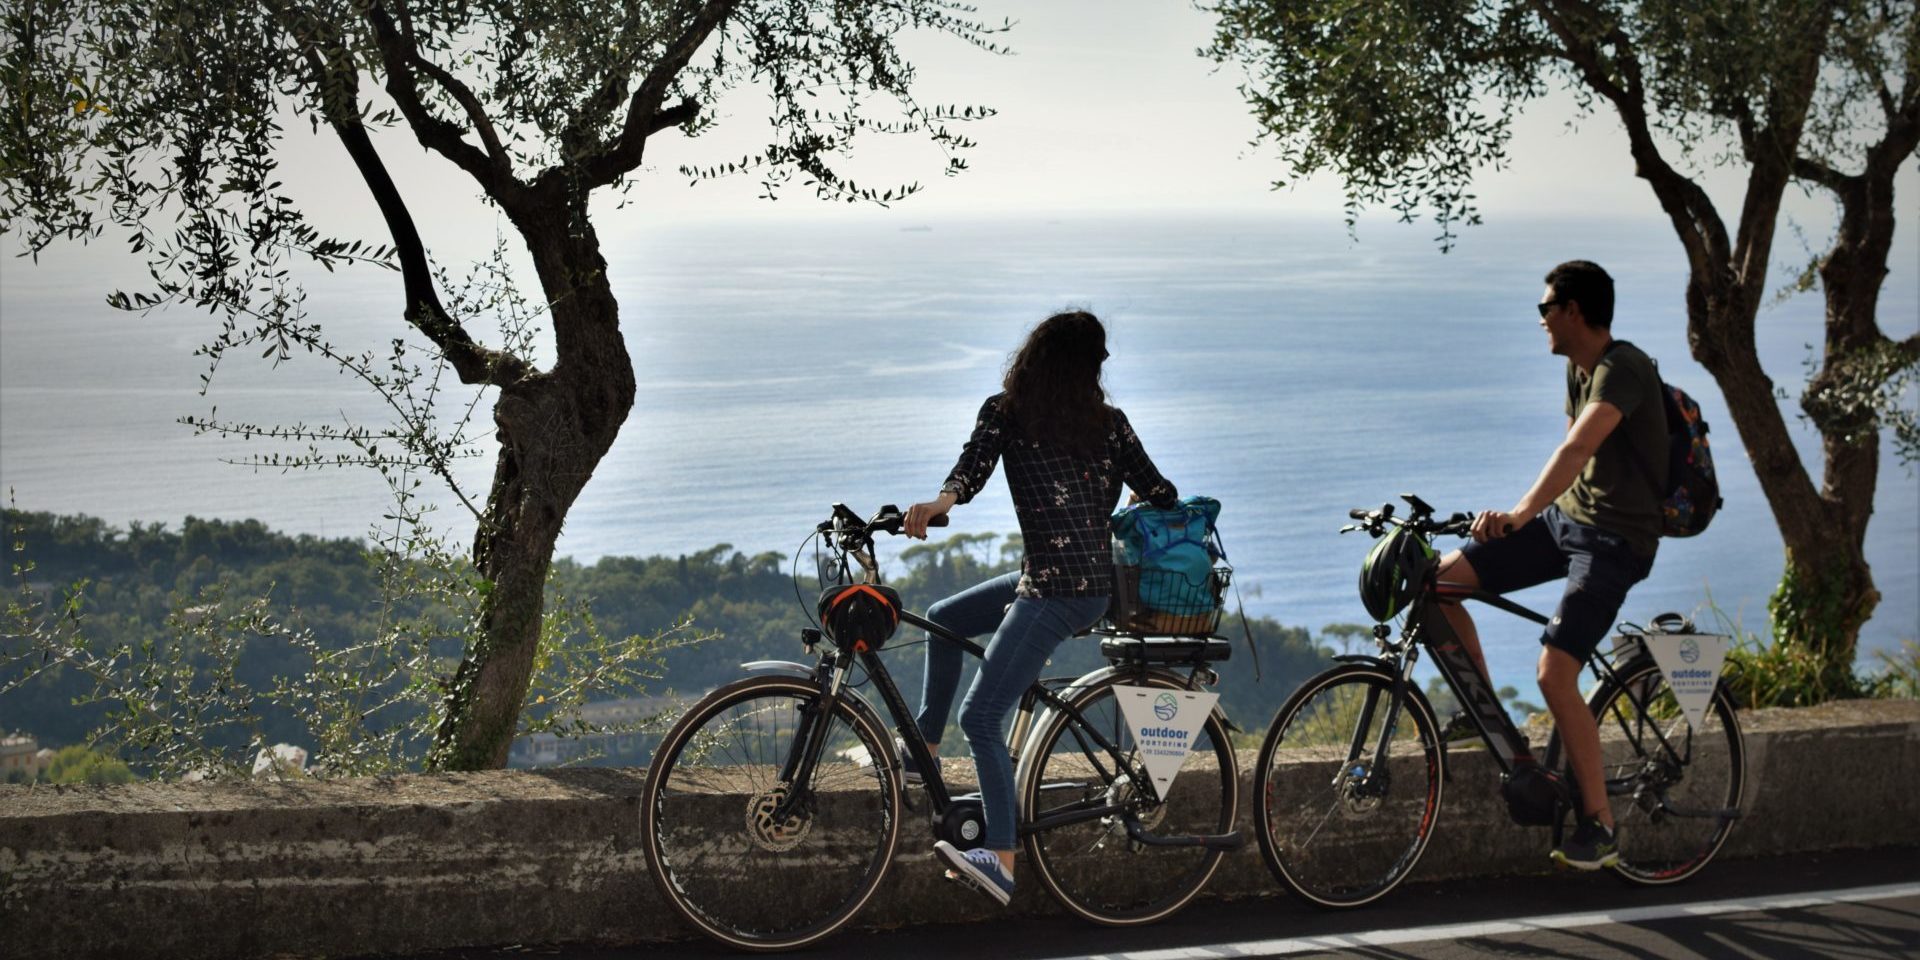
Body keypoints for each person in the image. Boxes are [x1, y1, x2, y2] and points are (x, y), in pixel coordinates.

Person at [901, 310, 1179, 905]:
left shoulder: (1007, 409)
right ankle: (923, 744)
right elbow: (1163, 494)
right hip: (1075, 582)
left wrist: (938, 503)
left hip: (1057, 594)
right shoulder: (1106, 423)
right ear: (1087, 367)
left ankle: (1000, 858)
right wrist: (1122, 502)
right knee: (945, 618)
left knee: (980, 717)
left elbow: (967, 474)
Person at [1439, 260, 1667, 871]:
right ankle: (1479, 708)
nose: (1540, 320)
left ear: (1572, 310)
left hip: (1616, 541)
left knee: (1554, 673)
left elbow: (1579, 446)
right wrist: (1525, 521)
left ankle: (1601, 824)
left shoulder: (1624, 367)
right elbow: (1571, 462)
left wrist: (1515, 512)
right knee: (1438, 583)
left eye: (1545, 309)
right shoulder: (1578, 369)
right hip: (1568, 523)